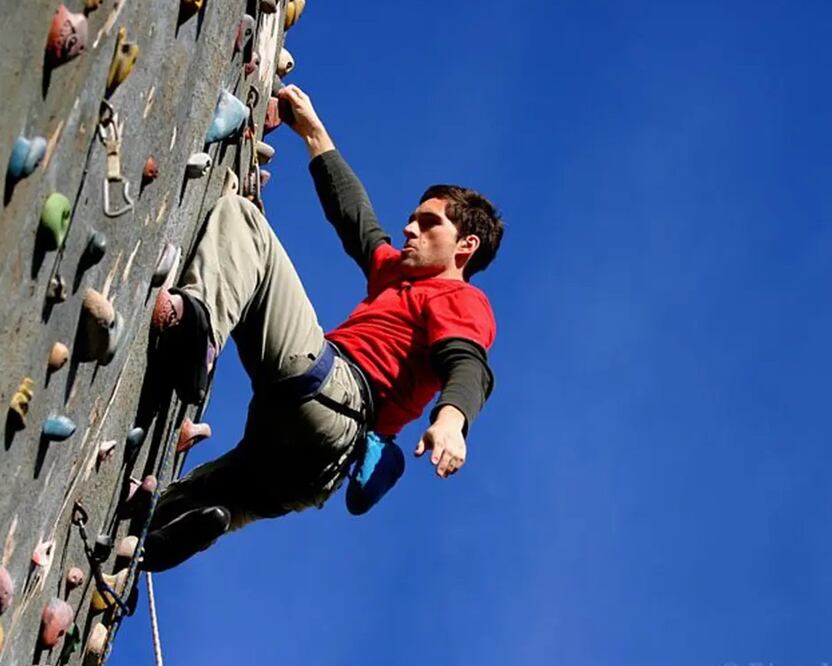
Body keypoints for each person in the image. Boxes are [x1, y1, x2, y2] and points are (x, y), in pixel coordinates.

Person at [140, 84, 504, 572]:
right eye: (412, 220)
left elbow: (468, 364)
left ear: (466, 246)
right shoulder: (396, 273)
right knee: (183, 505)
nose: (409, 229)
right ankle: (147, 546)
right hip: (316, 470)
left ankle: (198, 335)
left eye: (428, 223)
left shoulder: (461, 299)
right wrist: (314, 133)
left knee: (245, 223)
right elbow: (355, 218)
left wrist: (452, 421)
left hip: (331, 394)